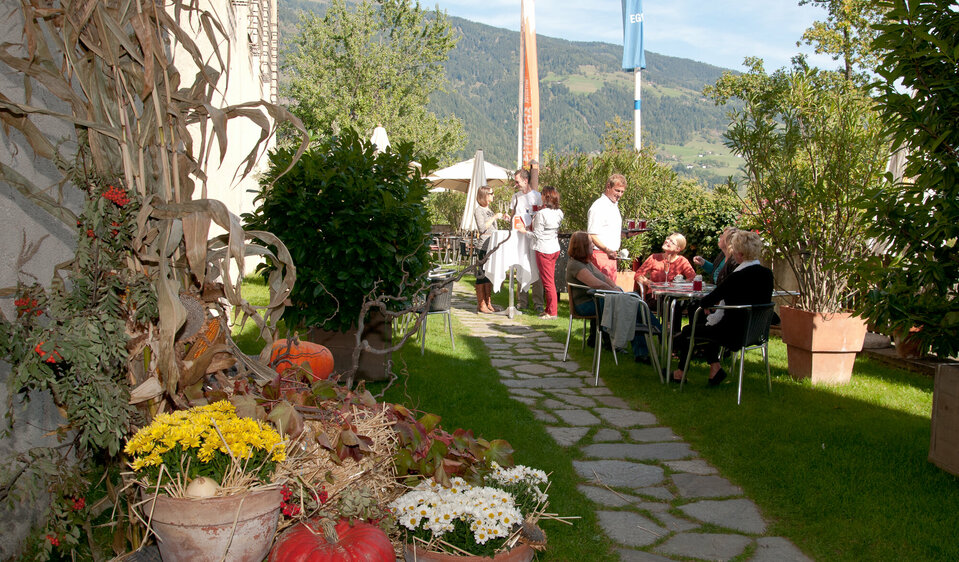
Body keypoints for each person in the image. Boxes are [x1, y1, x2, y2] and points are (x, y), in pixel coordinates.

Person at [671, 230, 774, 386]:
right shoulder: (767, 274)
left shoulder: (738, 276)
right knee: (707, 324)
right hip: (756, 331)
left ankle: (680, 373)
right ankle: (715, 368)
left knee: (688, 331)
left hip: (733, 332)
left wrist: (707, 305)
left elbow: (710, 299)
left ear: (740, 254)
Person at [566, 232, 655, 361]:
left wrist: (617, 288)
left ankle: (647, 341)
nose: (593, 246)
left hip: (597, 300)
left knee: (632, 302)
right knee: (631, 304)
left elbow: (604, 278)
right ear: (583, 246)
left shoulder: (586, 263)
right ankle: (655, 334)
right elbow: (597, 284)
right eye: (591, 244)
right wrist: (616, 292)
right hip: (585, 305)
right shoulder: (575, 265)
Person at [509, 167, 544, 314]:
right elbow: (512, 215)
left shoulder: (537, 196)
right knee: (521, 267)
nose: (516, 185)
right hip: (520, 238)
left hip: (533, 238)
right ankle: (522, 301)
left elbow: (541, 215)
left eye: (517, 182)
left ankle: (538, 302)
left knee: (536, 268)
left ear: (525, 180)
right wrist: (510, 220)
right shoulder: (515, 197)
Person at [587, 174, 627, 283]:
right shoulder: (599, 206)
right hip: (600, 255)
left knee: (611, 290)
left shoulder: (613, 205)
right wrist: (607, 250)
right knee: (603, 289)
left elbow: (608, 231)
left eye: (622, 192)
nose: (619, 195)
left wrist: (627, 235)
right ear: (608, 187)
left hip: (611, 256)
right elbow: (592, 234)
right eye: (617, 190)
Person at [531, 186, 564, 318]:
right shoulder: (559, 212)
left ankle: (552, 312)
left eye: (542, 194)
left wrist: (524, 231)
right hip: (554, 247)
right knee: (550, 280)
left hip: (544, 249)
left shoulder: (542, 214)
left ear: (546, 197)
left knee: (548, 282)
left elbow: (536, 235)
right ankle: (549, 308)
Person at [632, 232, 697, 291]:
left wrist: (680, 284)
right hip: (655, 295)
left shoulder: (682, 261)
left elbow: (693, 278)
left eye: (671, 241)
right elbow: (638, 275)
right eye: (668, 239)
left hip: (673, 295)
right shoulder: (654, 257)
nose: (666, 241)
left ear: (677, 249)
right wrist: (650, 283)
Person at [473, 186, 503, 314]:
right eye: (491, 193)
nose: (493, 195)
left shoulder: (489, 210)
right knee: (481, 275)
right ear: (484, 195)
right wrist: (494, 217)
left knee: (488, 275)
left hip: (491, 246)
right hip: (483, 247)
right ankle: (481, 304)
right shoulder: (479, 210)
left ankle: (488, 302)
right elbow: (481, 228)